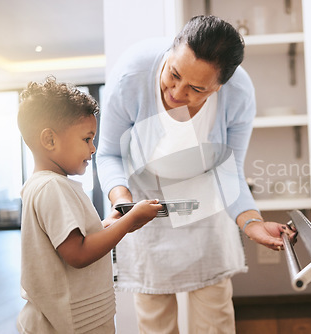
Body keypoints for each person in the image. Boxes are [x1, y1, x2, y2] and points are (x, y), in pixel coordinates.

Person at [97, 15, 295, 333]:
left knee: (215, 320)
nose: (176, 92)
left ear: (219, 87)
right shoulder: (131, 75)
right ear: (171, 51)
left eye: (196, 88)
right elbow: (108, 154)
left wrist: (252, 223)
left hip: (206, 212)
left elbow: (229, 172)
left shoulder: (239, 95)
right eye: (173, 74)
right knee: (155, 323)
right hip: (143, 210)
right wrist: (123, 202)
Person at [16, 76, 163, 333]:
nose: (93, 149)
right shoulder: (52, 188)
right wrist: (129, 220)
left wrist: (113, 223)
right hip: (70, 323)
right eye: (87, 139)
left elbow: (75, 239)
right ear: (49, 140)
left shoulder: (49, 185)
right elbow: (78, 253)